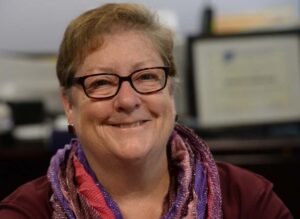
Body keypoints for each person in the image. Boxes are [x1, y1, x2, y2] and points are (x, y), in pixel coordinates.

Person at [0, 3, 293, 219]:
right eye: (101, 82)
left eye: (146, 77)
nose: (128, 100)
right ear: (69, 105)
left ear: (170, 90)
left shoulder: (247, 200)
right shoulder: (26, 212)